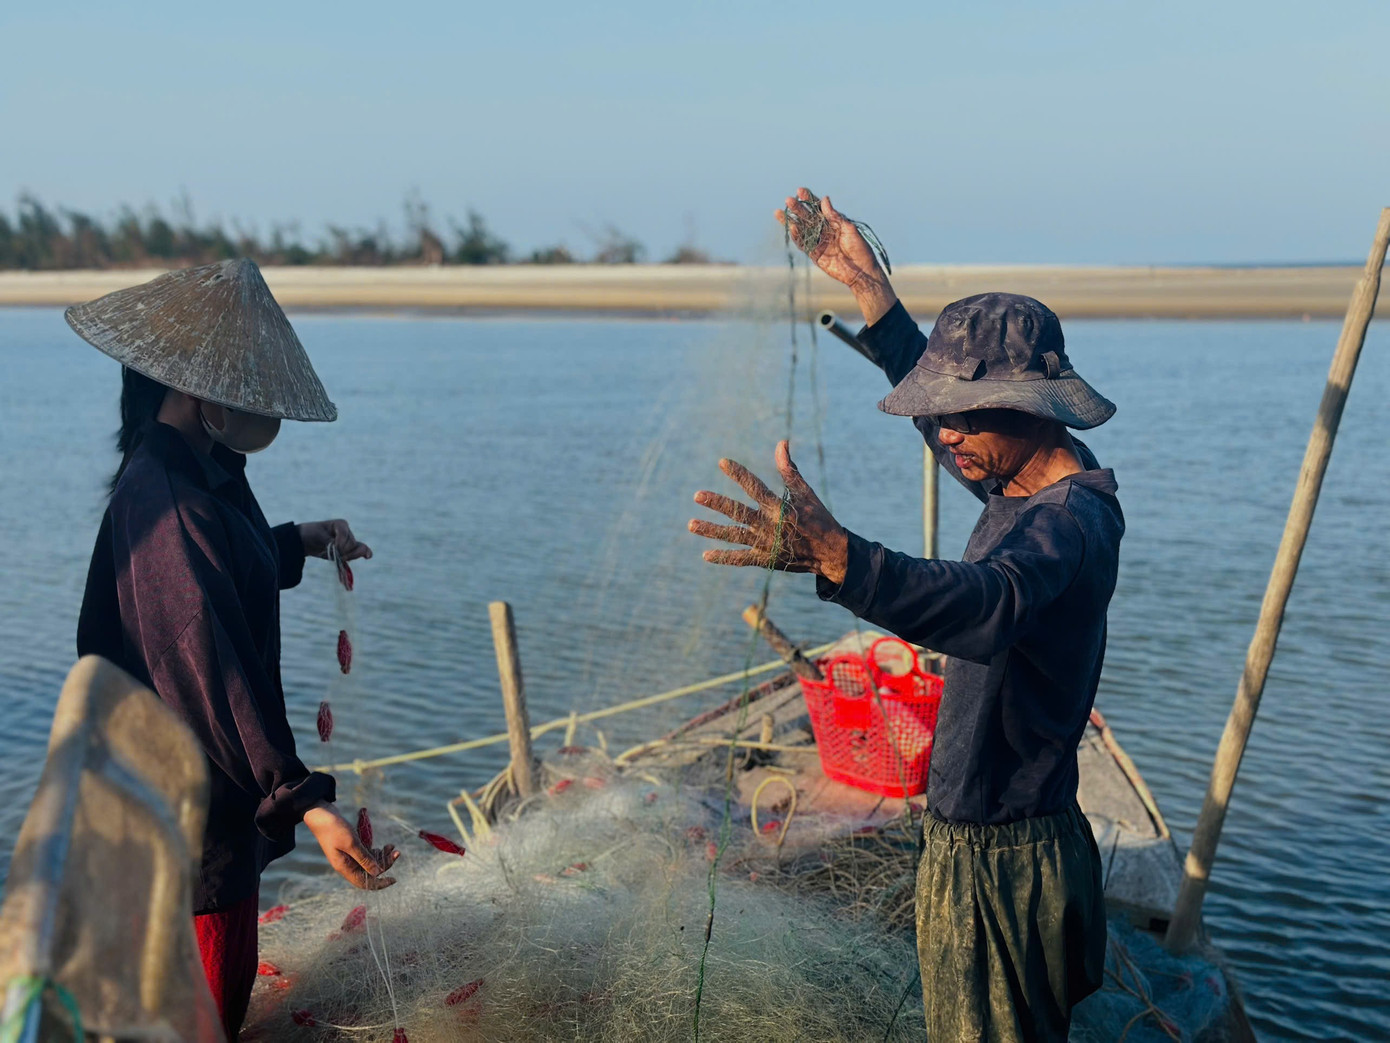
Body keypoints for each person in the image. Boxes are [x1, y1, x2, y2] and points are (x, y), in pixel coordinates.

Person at [688, 188, 1122, 1042]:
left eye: (963, 415)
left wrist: (845, 561)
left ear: (1029, 405)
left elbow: (989, 604)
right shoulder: (1020, 473)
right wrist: (872, 294)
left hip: (1008, 858)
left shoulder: (1070, 523)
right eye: (939, 412)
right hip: (986, 841)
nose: (945, 434)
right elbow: (951, 425)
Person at [69, 259, 400, 1036]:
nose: (253, 399)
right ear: (194, 389)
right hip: (183, 825)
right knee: (201, 1013)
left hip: (214, 806)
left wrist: (296, 541)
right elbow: (207, 664)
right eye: (239, 382)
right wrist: (302, 799)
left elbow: (221, 572)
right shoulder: (163, 497)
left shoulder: (204, 466)